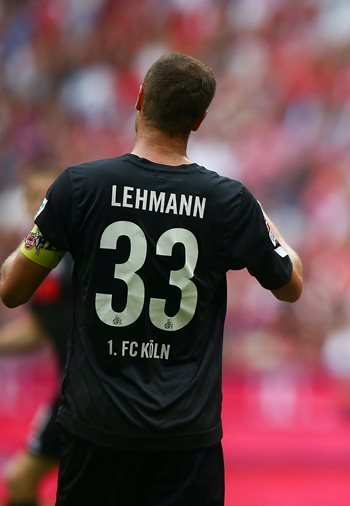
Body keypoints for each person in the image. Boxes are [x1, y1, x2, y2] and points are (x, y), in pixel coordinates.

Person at [0, 52, 303, 506]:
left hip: (94, 430)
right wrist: (264, 221)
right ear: (199, 120)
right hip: (186, 439)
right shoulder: (228, 201)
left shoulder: (79, 187)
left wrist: (47, 230)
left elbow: (11, 288)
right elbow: (290, 284)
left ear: (139, 100)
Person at [0, 165, 73, 506]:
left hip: (89, 389)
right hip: (70, 389)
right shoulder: (44, 255)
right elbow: (42, 328)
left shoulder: (76, 251)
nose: (40, 203)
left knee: (21, 478)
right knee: (20, 480)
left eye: (48, 195)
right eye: (33, 196)